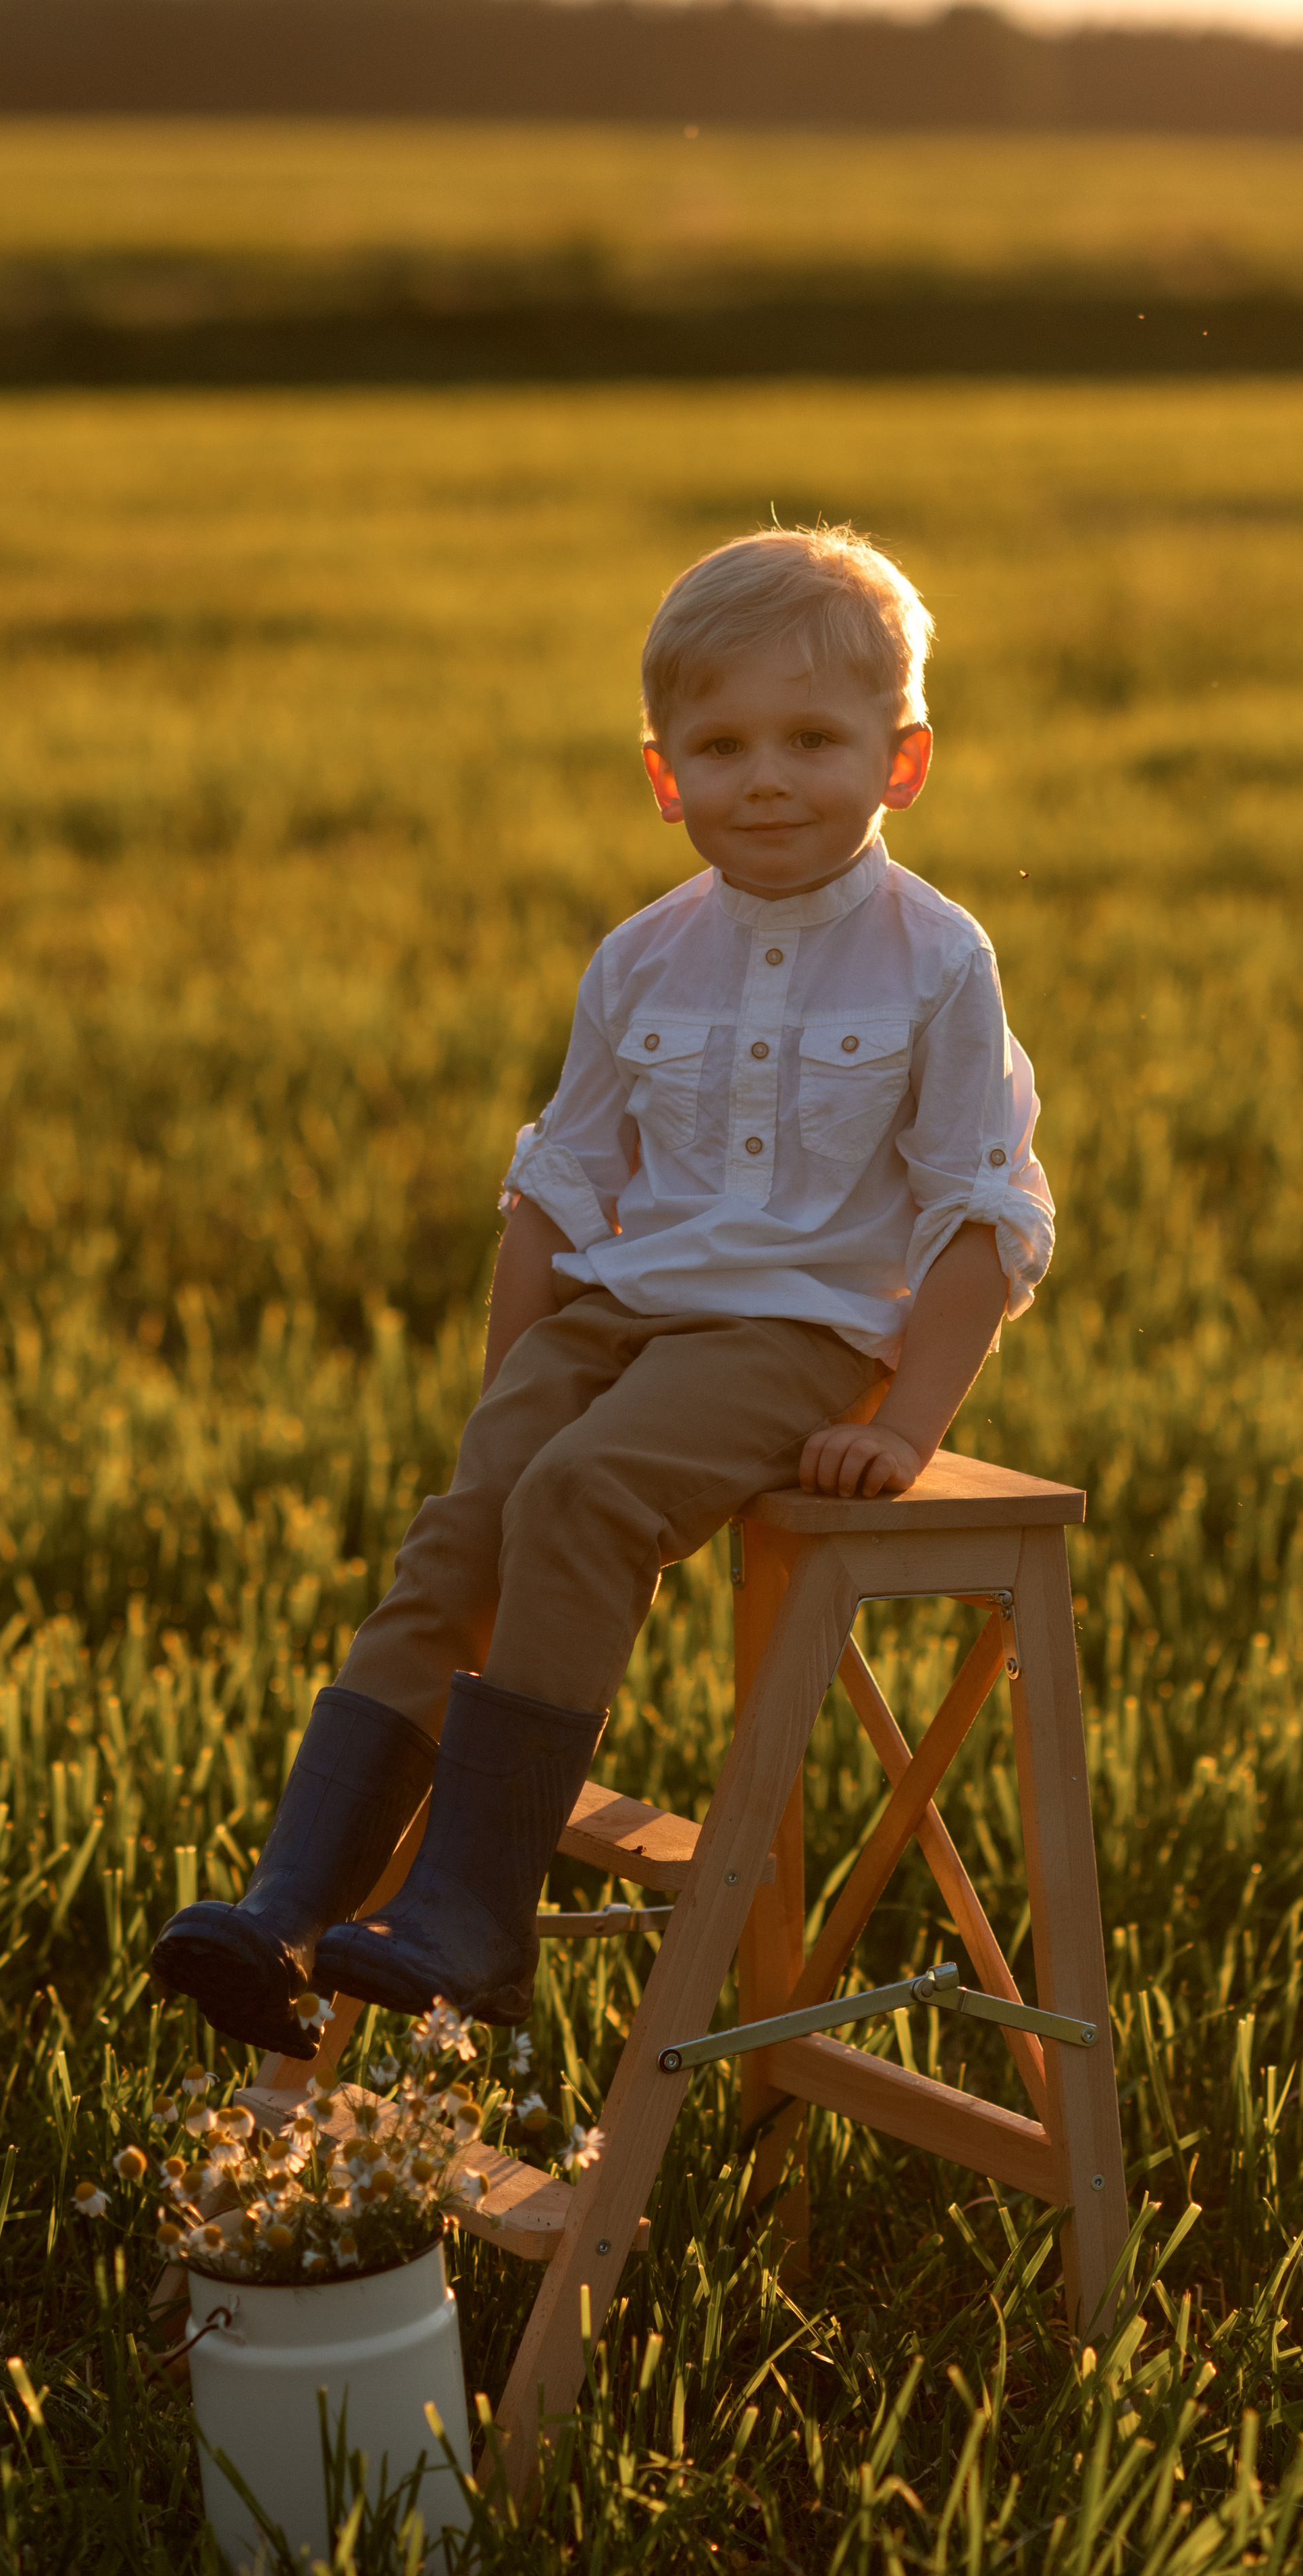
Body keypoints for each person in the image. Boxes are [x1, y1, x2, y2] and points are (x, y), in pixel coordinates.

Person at [149, 524, 1054, 2054]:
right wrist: (511, 1390)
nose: (764, 777)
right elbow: (556, 1195)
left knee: (579, 1499)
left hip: (796, 1330)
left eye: (811, 740)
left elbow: (983, 1209)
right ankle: (289, 1904)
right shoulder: (640, 959)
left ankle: (471, 1919)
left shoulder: (934, 960)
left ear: (900, 765)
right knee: (473, 1517)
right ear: (663, 776)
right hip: (618, 1315)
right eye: (721, 745)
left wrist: (903, 1423)